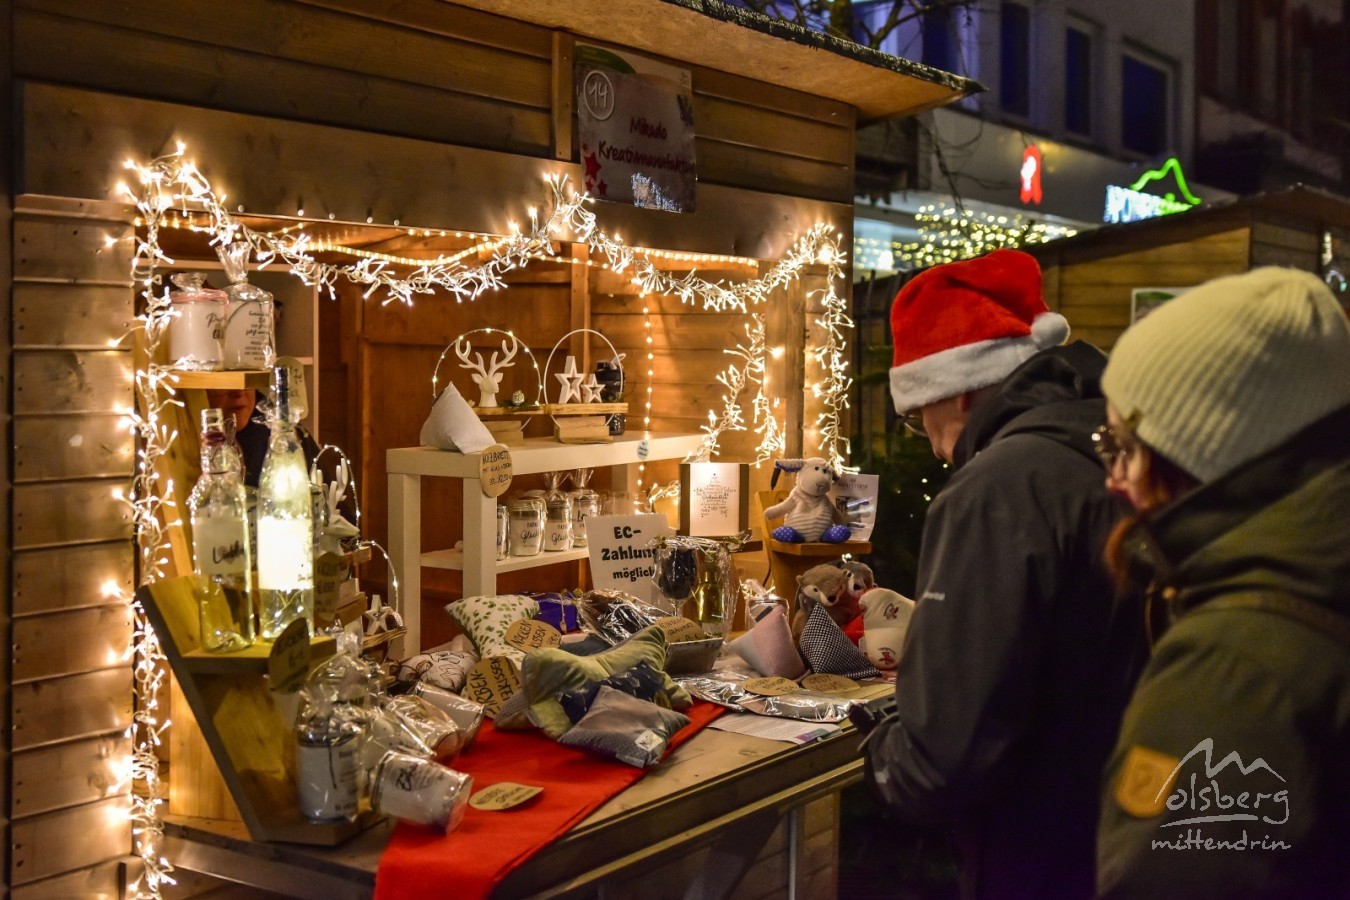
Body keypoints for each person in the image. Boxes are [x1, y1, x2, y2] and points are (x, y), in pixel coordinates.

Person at [861, 249, 1147, 899]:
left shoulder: (996, 489)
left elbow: (944, 759)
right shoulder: (1112, 452)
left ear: (960, 388)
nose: (934, 445)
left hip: (1039, 850)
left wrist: (881, 757)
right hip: (1126, 830)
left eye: (919, 419)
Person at [1094, 267, 1350, 898]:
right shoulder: (1321, 569)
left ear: (1201, 450)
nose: (1113, 478)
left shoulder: (1232, 667)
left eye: (1123, 444)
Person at [206, 386, 319, 488]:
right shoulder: (199, 443)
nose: (239, 393)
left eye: (247, 383)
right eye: (225, 385)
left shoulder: (284, 432)